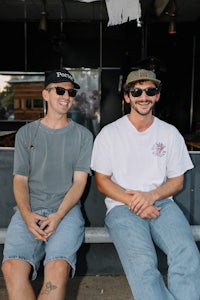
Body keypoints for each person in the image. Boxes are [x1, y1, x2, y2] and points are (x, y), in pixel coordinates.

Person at [91, 68, 200, 300]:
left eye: (150, 90)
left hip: (162, 204)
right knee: (143, 264)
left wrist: (150, 197)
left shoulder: (170, 133)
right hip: (122, 207)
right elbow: (101, 182)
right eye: (136, 91)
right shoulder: (109, 134)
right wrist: (136, 201)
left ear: (157, 95)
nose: (143, 96)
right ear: (127, 96)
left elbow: (177, 180)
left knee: (187, 254)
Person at [1, 68, 93, 300]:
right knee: (11, 268)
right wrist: (26, 214)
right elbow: (20, 180)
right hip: (29, 211)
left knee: (58, 268)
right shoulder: (26, 134)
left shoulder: (83, 136)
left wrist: (59, 215)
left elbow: (79, 182)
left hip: (66, 212)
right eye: (60, 90)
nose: (66, 97)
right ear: (45, 95)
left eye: (70, 93)